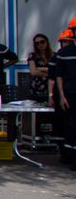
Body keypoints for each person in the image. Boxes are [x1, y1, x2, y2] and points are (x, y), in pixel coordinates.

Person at [54, 28, 76, 169]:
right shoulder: (64, 53)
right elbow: (58, 76)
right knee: (72, 126)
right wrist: (61, 96)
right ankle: (72, 158)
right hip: (71, 94)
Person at [26, 33, 53, 101]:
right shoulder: (32, 56)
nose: (40, 45)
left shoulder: (54, 56)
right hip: (37, 87)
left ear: (47, 42)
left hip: (51, 87)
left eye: (42, 42)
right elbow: (33, 72)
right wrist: (49, 73)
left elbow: (57, 71)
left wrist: (40, 68)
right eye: (37, 43)